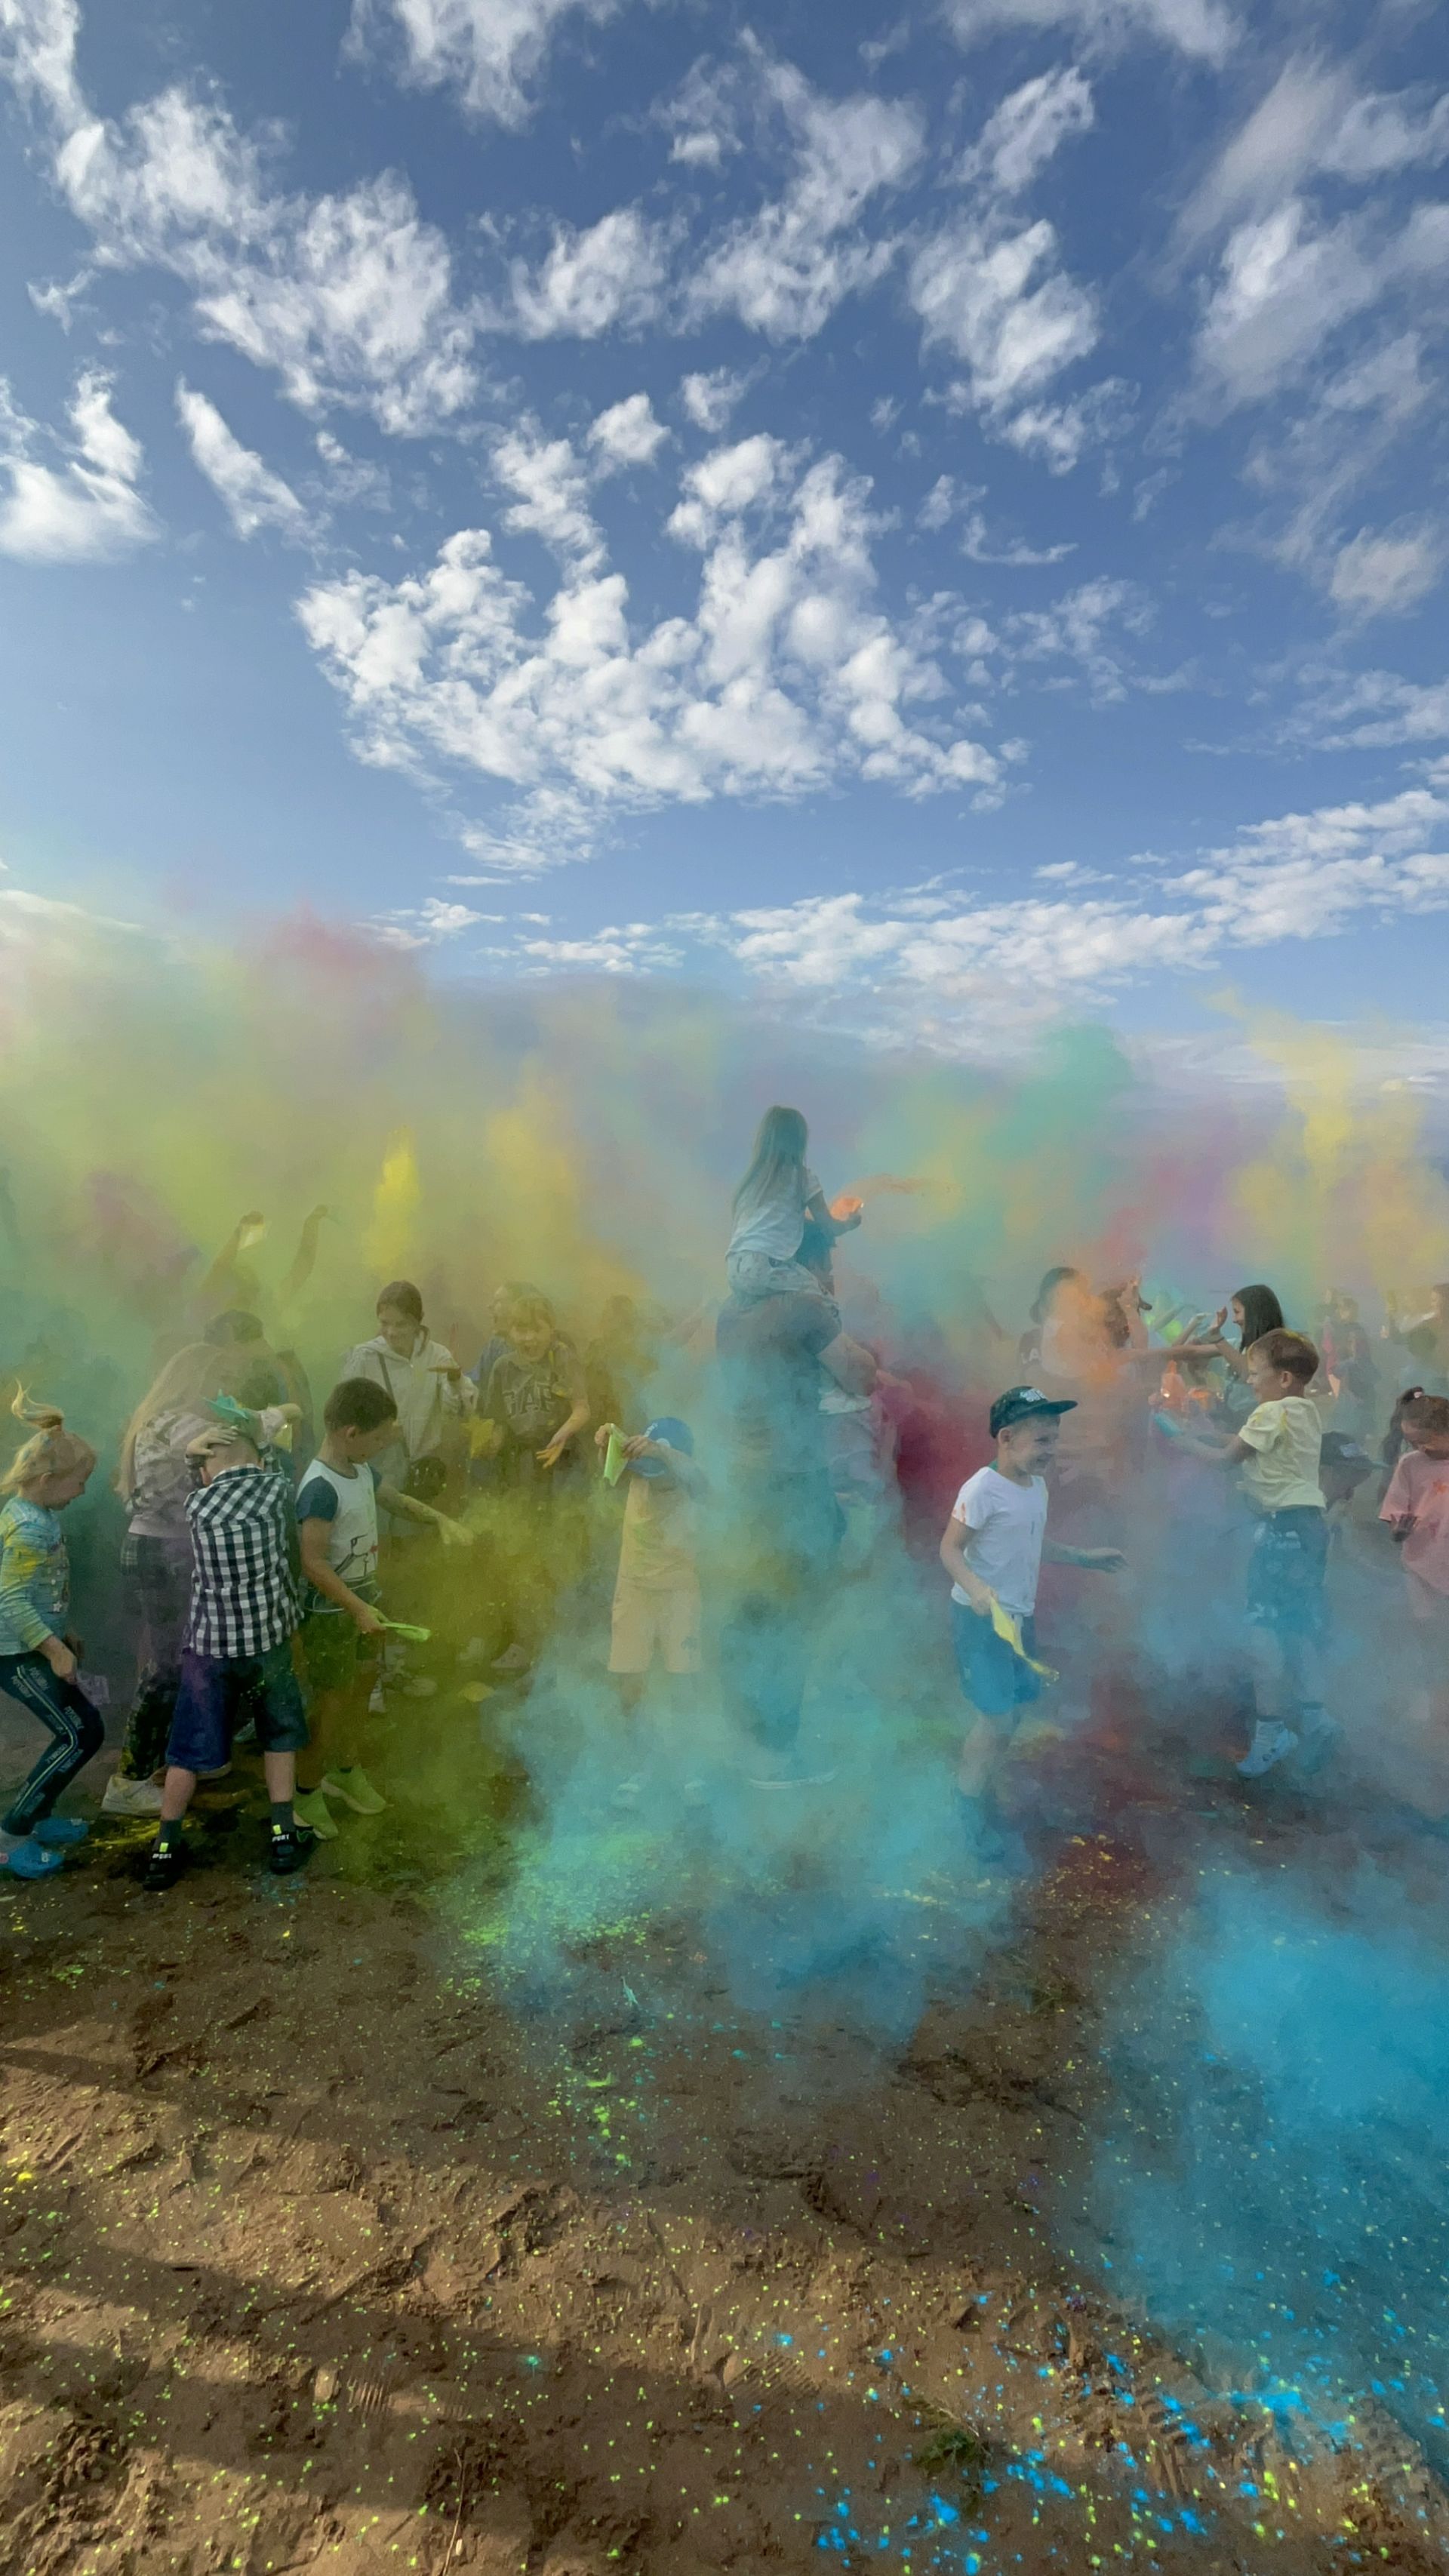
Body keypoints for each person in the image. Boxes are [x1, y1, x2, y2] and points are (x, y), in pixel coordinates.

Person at [106, 1338, 293, 1818]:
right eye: (216, 1383)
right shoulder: (179, 1422)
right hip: (163, 1553)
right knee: (169, 1666)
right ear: (196, 1382)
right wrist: (280, 1412)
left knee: (181, 1660)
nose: (222, 1392)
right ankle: (129, 1780)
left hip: (157, 1549)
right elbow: (225, 1435)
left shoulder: (155, 1418)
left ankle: (175, 1765)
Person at [940, 1386, 1124, 1860]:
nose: (1052, 1449)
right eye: (1042, 1440)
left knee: (1016, 1710)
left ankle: (982, 1789)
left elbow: (1031, 1542)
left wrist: (1083, 1557)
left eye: (1054, 1439)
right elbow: (949, 1549)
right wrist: (978, 1590)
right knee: (995, 1716)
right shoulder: (981, 1489)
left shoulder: (1036, 1486)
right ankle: (969, 1813)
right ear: (1006, 1438)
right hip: (980, 1622)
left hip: (1018, 1619)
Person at [291, 1377, 472, 1840]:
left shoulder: (361, 1471)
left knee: (362, 1691)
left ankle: (346, 1771)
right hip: (334, 1614)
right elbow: (311, 1562)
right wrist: (356, 1609)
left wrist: (441, 1520)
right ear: (350, 1433)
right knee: (331, 1703)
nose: (383, 1444)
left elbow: (397, 1502)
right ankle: (307, 1792)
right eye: (378, 1437)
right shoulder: (319, 1487)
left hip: (366, 1602)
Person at [714, 1284, 877, 1785]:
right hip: (792, 1482)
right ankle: (776, 1756)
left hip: (748, 1480)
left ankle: (749, 1744)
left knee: (755, 1607)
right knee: (789, 1614)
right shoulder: (804, 1307)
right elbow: (861, 1376)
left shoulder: (732, 1310)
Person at [142, 1417, 313, 1891]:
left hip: (209, 1649)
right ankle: (282, 1835)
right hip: (268, 1646)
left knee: (189, 1750)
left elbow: (170, 1488)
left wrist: (190, 1455)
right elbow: (273, 1460)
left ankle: (164, 1847)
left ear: (203, 1471)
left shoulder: (196, 1503)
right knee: (278, 1736)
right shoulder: (276, 1489)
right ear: (259, 1461)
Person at [1177, 1328, 1329, 1780]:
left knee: (1263, 1631)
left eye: (1255, 1372)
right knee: (1296, 1626)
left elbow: (1227, 1458)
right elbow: (1253, 1446)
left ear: (1283, 1379)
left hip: (1280, 1532)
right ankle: (1318, 1717)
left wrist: (1175, 1435)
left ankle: (1271, 1734)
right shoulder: (1305, 1411)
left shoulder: (1271, 1411)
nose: (1248, 1380)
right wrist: (1204, 1427)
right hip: (1309, 1532)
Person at [0, 1393, 104, 1881]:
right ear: (46, 1481)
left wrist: (66, 1629)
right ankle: (11, 1834)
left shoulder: (41, 1519)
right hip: (14, 1653)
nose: (83, 1491)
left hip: (32, 1643)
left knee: (79, 1731)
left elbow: (41, 1591)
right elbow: (12, 1601)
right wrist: (54, 1646)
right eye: (78, 1482)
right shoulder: (27, 1530)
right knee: (79, 1732)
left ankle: (36, 1816)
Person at [474, 1292, 591, 1670]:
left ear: (551, 1328)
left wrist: (562, 1435)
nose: (528, 1338)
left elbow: (582, 1408)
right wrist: (486, 1442)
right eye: (520, 1329)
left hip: (563, 1468)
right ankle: (526, 1646)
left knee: (561, 1555)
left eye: (536, 1328)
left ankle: (563, 1649)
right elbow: (499, 1425)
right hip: (522, 1471)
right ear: (508, 1331)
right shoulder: (503, 1369)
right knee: (523, 1554)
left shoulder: (562, 1357)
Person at [594, 1417, 704, 1808]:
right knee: (630, 1684)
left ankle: (691, 1769)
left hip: (679, 1592)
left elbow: (700, 1478)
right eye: (646, 1470)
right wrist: (608, 1438)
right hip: (634, 1590)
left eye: (658, 1469)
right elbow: (611, 1454)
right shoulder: (638, 1473)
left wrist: (662, 1453)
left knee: (684, 1683)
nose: (651, 1478)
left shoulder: (691, 1481)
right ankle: (639, 1768)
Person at [339, 1281, 472, 1525]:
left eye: (400, 1324)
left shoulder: (438, 1356)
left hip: (422, 1470)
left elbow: (458, 1412)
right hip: (376, 1469)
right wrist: (379, 1432)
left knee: (417, 1542)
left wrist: (455, 1380)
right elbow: (341, 1415)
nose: (391, 1332)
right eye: (384, 1323)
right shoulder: (364, 1357)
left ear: (417, 1321)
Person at [725, 1106, 861, 1304]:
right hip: (766, 1266)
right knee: (827, 1304)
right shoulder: (802, 1178)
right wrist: (849, 1223)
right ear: (799, 1142)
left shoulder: (751, 1182)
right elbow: (828, 1227)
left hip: (735, 1267)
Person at [1380, 1393, 1449, 1736]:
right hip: (1422, 1564)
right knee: (1427, 1634)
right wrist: (1398, 1530)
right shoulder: (1410, 1464)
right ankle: (1429, 1698)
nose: (1420, 1448)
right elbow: (1395, 1515)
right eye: (1413, 1441)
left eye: (1426, 1440)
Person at [1383, 1284, 1449, 1397]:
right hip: (1435, 1379)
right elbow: (1399, 1338)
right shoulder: (1428, 1325)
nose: (1432, 1304)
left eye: (1434, 1300)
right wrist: (1391, 1316)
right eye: (1431, 1300)